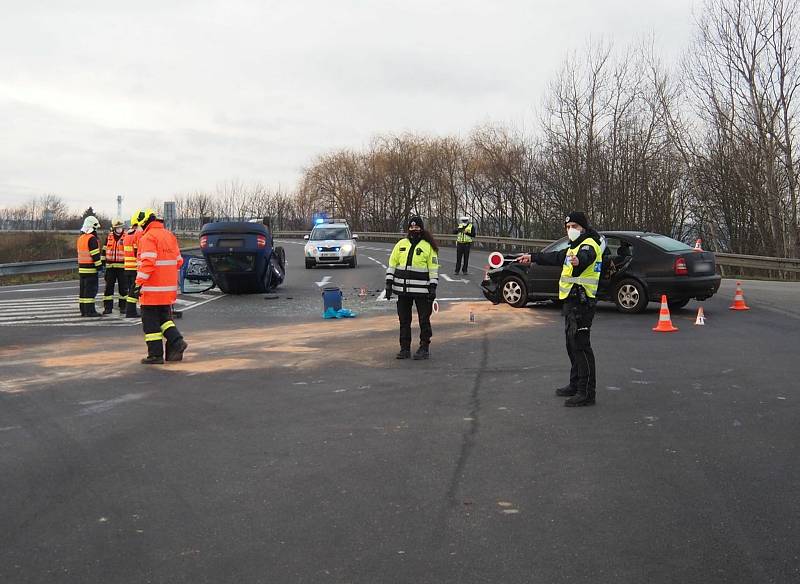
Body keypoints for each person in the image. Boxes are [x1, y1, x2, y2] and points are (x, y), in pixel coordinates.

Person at [517, 212, 605, 406]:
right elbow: (556, 257)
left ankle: (587, 392)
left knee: (581, 346)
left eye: (574, 226)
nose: (570, 230)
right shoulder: (574, 246)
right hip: (571, 302)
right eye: (568, 227)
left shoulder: (589, 244)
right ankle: (575, 384)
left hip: (583, 302)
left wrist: (579, 261)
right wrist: (532, 257)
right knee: (571, 345)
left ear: (583, 227)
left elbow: (586, 257)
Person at [131, 209, 188, 364]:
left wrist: (137, 285)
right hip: (168, 289)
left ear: (143, 223)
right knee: (164, 319)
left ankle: (155, 355)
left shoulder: (147, 238)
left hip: (151, 289)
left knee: (150, 323)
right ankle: (177, 342)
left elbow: (148, 264)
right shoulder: (169, 235)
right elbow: (179, 261)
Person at [385, 216, 439, 360]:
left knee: (424, 320)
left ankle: (424, 347)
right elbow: (392, 264)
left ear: (421, 228)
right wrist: (389, 284)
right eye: (411, 227)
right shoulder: (401, 244)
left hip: (422, 291)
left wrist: (433, 287)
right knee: (404, 320)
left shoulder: (428, 247)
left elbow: (433, 269)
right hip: (402, 290)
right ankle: (404, 348)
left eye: (416, 227)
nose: (414, 230)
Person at [77, 216, 104, 317]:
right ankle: (90, 311)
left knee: (83, 292)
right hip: (90, 270)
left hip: (82, 270)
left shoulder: (81, 238)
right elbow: (95, 256)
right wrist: (100, 268)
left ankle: (83, 311)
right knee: (90, 292)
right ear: (93, 227)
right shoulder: (92, 239)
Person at [101, 219, 128, 314]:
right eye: (117, 228)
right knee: (108, 288)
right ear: (114, 228)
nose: (119, 229)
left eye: (120, 227)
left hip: (122, 267)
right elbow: (104, 250)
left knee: (123, 288)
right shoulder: (109, 237)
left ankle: (123, 307)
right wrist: (103, 263)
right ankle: (108, 308)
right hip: (110, 267)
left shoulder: (126, 237)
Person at [123, 211, 143, 318]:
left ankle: (130, 310)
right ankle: (131, 311)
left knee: (131, 289)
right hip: (135, 267)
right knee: (135, 290)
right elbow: (139, 250)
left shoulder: (127, 234)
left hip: (127, 267)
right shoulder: (138, 234)